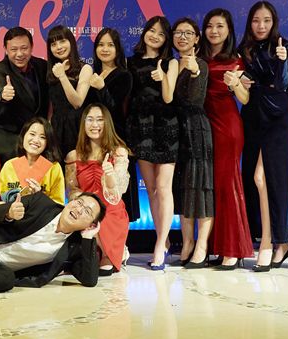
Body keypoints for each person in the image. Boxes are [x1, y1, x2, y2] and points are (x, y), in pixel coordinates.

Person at [238, 1, 288, 271]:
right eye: (256, 20)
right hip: (252, 117)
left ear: (274, 22)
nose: (261, 26)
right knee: (253, 179)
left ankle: (275, 241)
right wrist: (240, 81)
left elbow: (283, 84)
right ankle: (264, 237)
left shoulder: (284, 46)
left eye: (267, 20)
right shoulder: (244, 49)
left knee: (269, 179)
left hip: (277, 117)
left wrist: (282, 61)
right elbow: (241, 84)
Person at [199, 8, 253, 269]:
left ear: (229, 30)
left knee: (227, 185)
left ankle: (233, 249)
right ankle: (215, 246)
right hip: (201, 128)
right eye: (210, 26)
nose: (214, 31)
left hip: (227, 127)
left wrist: (235, 84)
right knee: (210, 187)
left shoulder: (237, 60)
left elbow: (245, 99)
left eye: (220, 26)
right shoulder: (197, 57)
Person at [126, 16, 179, 270]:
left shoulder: (171, 63)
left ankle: (159, 246)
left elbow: (168, 98)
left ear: (166, 38)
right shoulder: (131, 62)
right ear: (144, 32)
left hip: (166, 127)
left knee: (163, 187)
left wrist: (163, 77)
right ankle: (163, 238)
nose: (155, 36)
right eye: (151, 30)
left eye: (161, 33)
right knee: (151, 190)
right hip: (141, 127)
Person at [65, 104, 130, 276]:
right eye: (90, 120)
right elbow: (72, 189)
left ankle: (110, 252)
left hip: (110, 209)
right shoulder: (73, 156)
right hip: (85, 207)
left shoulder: (119, 152)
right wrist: (83, 201)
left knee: (104, 214)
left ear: (107, 123)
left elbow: (118, 192)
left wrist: (110, 175)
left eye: (100, 120)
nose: (95, 125)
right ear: (83, 123)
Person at [170, 18, 214, 269]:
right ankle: (187, 243)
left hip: (196, 129)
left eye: (188, 33)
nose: (182, 37)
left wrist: (195, 72)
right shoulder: (171, 64)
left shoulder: (201, 64)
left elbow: (196, 98)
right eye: (178, 32)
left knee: (201, 186)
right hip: (176, 131)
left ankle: (202, 246)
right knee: (183, 188)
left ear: (197, 38)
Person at [90, 27, 139, 222]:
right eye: (101, 45)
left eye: (110, 45)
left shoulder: (124, 75)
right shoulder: (92, 73)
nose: (105, 49)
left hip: (116, 136)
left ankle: (120, 228)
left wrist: (101, 88)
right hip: (93, 137)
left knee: (117, 184)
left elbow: (114, 108)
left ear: (117, 49)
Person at [0, 27, 49, 162]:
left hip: (37, 139)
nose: (20, 54)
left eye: (24, 48)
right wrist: (2, 94)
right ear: (5, 49)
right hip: (9, 140)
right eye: (14, 49)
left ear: (32, 47)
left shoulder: (42, 66)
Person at [46, 25, 93, 158]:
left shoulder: (85, 69)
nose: (59, 47)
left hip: (77, 126)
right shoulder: (51, 71)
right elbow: (51, 105)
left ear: (71, 42)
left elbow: (77, 102)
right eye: (53, 44)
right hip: (56, 127)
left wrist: (62, 76)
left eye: (62, 41)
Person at [0, 117, 65, 205]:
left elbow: (58, 205)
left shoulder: (54, 168)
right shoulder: (9, 165)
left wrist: (39, 197)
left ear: (48, 142)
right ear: (23, 136)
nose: (36, 140)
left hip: (41, 212)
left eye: (42, 137)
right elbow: (3, 200)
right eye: (32, 134)